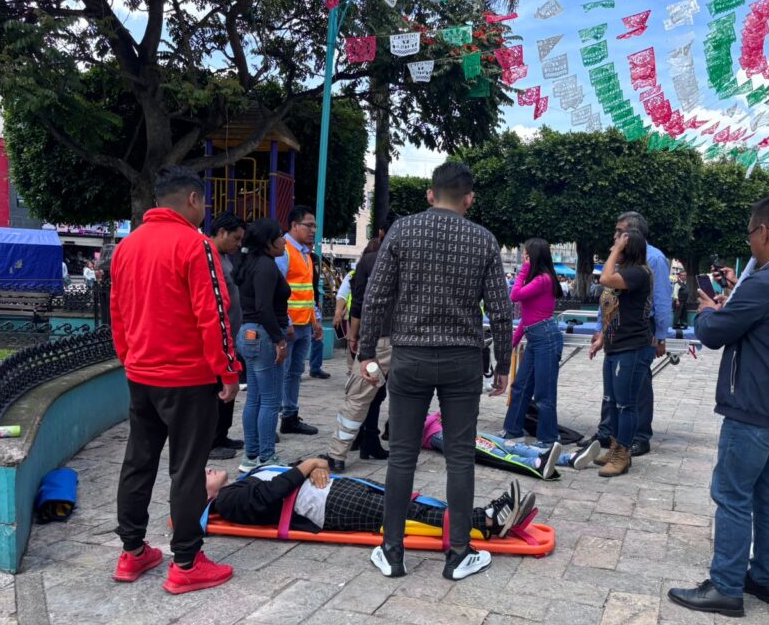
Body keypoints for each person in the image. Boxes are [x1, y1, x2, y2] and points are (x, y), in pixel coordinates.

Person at [668, 193, 769, 617]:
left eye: (749, 235)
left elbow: (714, 333)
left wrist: (708, 311)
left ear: (763, 231)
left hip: (755, 407)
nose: (750, 244)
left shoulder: (766, 282)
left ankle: (726, 586)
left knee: (733, 493)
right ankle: (765, 577)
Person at [356, 161, 513, 581]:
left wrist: (366, 353)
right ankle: (459, 553)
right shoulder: (483, 240)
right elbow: (500, 310)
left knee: (401, 456)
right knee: (460, 457)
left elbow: (376, 297)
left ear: (430, 193)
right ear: (469, 199)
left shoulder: (402, 231)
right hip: (463, 359)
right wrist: (503, 364)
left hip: (410, 356)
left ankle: (392, 551)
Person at [109, 165, 239, 595]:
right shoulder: (195, 244)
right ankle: (186, 561)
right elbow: (214, 314)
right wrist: (227, 370)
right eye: (203, 202)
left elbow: (117, 313)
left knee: (138, 460)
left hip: (141, 374)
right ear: (192, 199)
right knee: (187, 467)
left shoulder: (127, 247)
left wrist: (131, 360)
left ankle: (132, 551)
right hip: (187, 377)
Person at [206, 460, 537, 546]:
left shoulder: (244, 478)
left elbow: (287, 472)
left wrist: (316, 464)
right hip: (330, 507)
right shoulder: (228, 500)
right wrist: (308, 465)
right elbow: (269, 494)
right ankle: (489, 520)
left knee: (410, 502)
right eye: (201, 477)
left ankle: (487, 515)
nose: (206, 469)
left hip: (333, 491)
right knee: (408, 514)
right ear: (205, 497)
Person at [580, 213, 672, 457]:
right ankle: (608, 433)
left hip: (639, 326)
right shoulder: (622, 261)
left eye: (619, 232)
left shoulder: (652, 259)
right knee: (612, 389)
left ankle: (639, 437)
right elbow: (608, 297)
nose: (615, 237)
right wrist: (601, 328)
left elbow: (662, 299)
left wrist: (661, 335)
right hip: (617, 326)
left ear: (630, 235)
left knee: (637, 386)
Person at [321, 229, 394, 474]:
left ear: (382, 233)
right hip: (413, 344)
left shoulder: (370, 261)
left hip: (378, 343)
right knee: (409, 399)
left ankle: (337, 454)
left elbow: (360, 304)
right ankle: (400, 453)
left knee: (358, 397)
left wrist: (355, 337)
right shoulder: (422, 260)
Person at [587, 229, 654, 478]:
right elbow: (615, 309)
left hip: (632, 347)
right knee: (612, 401)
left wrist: (615, 251)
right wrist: (602, 338)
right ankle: (615, 447)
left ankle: (622, 454)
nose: (612, 247)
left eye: (617, 244)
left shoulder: (639, 273)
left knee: (626, 404)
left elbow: (605, 278)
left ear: (628, 248)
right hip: (615, 345)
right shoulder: (627, 273)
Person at [235, 218, 290, 472]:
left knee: (255, 398)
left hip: (249, 333)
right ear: (268, 242)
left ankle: (251, 455)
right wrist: (279, 339)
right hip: (264, 335)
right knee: (270, 400)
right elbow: (264, 307)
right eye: (280, 236)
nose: (284, 241)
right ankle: (266, 457)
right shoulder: (266, 266)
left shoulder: (249, 263)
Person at [500, 238, 563, 447]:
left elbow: (514, 295)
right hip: (536, 337)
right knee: (520, 386)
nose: (524, 259)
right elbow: (527, 318)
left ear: (532, 256)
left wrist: (524, 270)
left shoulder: (543, 280)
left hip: (545, 337)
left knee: (544, 392)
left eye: (526, 255)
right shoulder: (538, 280)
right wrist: (513, 342)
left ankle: (548, 438)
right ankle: (512, 430)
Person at [423, 412, 601, 480]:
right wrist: (437, 415)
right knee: (493, 452)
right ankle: (536, 465)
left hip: (451, 428)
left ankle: (569, 458)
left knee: (510, 445)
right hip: (439, 436)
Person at [275, 205, 321, 436]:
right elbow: (277, 290)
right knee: (279, 375)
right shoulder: (283, 251)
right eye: (308, 225)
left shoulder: (305, 254)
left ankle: (290, 417)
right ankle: (269, 423)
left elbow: (307, 291)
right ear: (294, 225)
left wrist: (316, 319)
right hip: (289, 326)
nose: (313, 230)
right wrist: (286, 321)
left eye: (314, 226)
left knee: (294, 374)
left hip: (304, 324)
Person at [209, 212, 248, 461]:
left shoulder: (224, 257)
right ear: (222, 233)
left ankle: (222, 435)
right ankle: (211, 441)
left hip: (230, 338)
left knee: (228, 392)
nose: (238, 244)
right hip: (217, 339)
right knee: (217, 393)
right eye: (236, 238)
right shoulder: (208, 256)